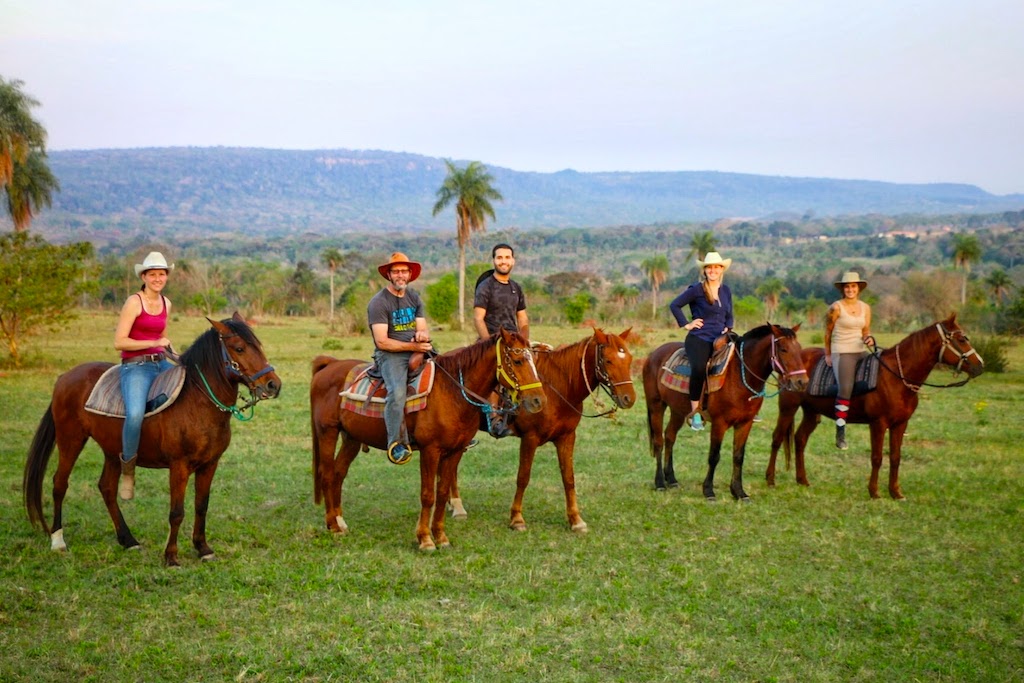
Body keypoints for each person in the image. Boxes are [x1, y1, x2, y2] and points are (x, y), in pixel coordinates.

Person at [114, 251, 176, 500]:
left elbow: (162, 338)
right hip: (135, 366)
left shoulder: (166, 303)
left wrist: (173, 352)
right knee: (136, 414)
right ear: (144, 276)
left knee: (192, 387)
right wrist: (154, 341)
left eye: (162, 274)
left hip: (161, 363)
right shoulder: (134, 302)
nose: (158, 278)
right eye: (153, 274)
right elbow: (119, 342)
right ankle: (128, 471)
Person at [368, 252, 434, 465]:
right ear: (389, 274)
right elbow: (382, 342)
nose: (400, 275)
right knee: (396, 394)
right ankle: (396, 443)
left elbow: (421, 326)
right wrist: (413, 345)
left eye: (404, 271)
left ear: (410, 274)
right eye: (396, 271)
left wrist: (421, 336)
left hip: (416, 347)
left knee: (448, 374)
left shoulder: (414, 297)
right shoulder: (378, 302)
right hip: (390, 354)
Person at [669, 251, 734, 431]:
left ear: (722, 270)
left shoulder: (726, 290)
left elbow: (729, 315)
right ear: (704, 270)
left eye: (716, 267)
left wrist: (728, 327)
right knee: (699, 368)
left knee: (742, 359)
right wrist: (686, 324)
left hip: (721, 337)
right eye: (709, 267)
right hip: (700, 337)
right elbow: (674, 305)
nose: (713, 270)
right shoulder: (696, 290)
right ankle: (695, 412)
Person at [473, 243, 529, 438]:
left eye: (507, 258)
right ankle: (494, 418)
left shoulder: (516, 288)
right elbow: (479, 318)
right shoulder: (486, 286)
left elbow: (522, 319)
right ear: (494, 261)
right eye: (499, 258)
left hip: (514, 341)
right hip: (491, 339)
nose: (503, 261)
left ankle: (528, 409)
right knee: (492, 374)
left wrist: (524, 341)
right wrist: (487, 342)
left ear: (512, 261)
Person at [824, 271, 874, 450]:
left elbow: (865, 330)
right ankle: (840, 431)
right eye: (847, 286)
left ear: (858, 288)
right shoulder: (836, 307)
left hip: (861, 349)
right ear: (843, 289)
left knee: (882, 373)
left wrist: (868, 338)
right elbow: (828, 332)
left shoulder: (865, 308)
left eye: (853, 286)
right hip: (842, 350)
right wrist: (828, 354)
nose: (850, 289)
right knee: (846, 388)